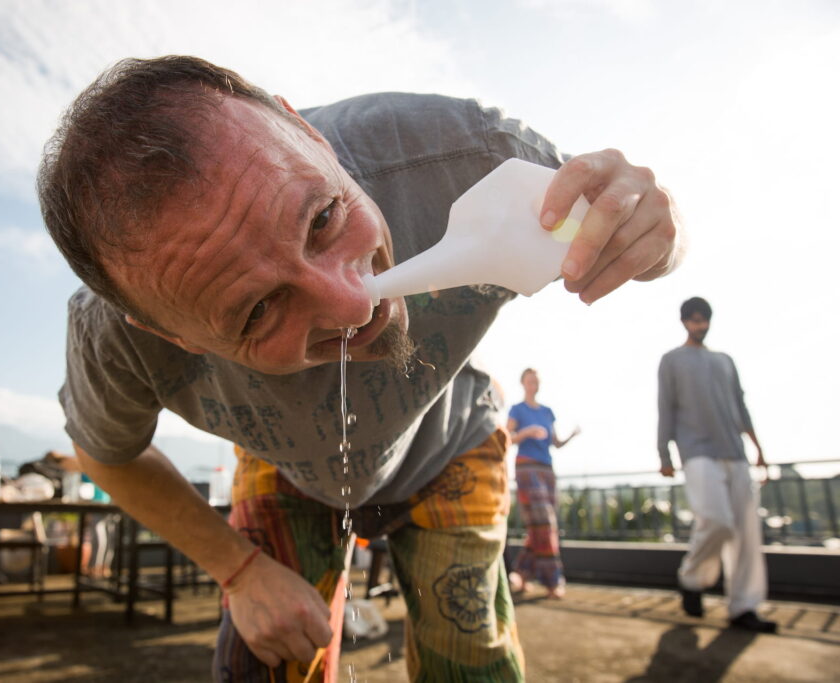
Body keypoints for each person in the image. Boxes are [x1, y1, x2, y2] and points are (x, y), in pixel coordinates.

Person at [37, 55, 683, 681]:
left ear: (307, 132)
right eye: (257, 309)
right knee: (268, 662)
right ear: (167, 333)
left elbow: (642, 234)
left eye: (322, 217)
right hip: (285, 465)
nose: (354, 304)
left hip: (453, 435)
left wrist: (658, 231)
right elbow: (105, 452)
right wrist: (239, 571)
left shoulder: (468, 158)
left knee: (469, 655)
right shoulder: (114, 340)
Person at [657, 297, 776, 633]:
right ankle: (692, 579)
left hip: (735, 453)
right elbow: (666, 408)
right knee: (717, 521)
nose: (700, 325)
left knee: (746, 534)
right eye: (694, 319)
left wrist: (759, 450)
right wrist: (664, 456)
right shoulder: (672, 360)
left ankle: (744, 607)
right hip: (697, 453)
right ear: (684, 322)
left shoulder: (725, 360)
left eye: (704, 319)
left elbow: (741, 407)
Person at [506, 368, 580, 599]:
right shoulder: (517, 410)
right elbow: (506, 438)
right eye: (529, 381)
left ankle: (520, 573)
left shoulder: (548, 412)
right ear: (523, 384)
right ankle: (553, 580)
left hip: (547, 469)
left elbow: (555, 442)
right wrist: (526, 432)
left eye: (536, 382)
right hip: (526, 468)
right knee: (545, 524)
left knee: (541, 526)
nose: (533, 385)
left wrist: (572, 436)